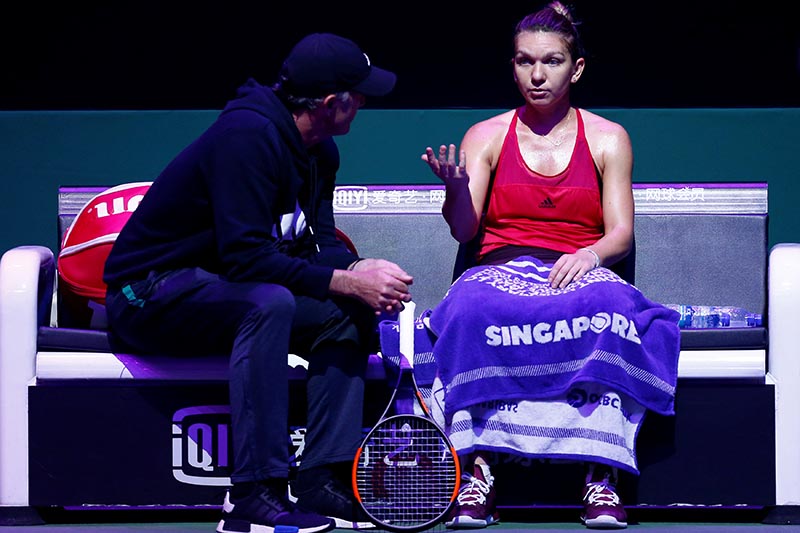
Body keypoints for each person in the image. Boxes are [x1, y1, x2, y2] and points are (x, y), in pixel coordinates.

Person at [103, 33, 413, 533]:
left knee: (347, 313)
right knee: (268, 303)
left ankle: (320, 478)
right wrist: (343, 280)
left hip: (222, 290)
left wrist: (357, 273)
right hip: (147, 294)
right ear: (333, 102)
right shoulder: (246, 137)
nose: (364, 105)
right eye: (359, 96)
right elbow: (247, 259)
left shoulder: (319, 152)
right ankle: (253, 492)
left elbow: (319, 241)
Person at [421, 2, 680, 530]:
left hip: (579, 268)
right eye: (524, 61)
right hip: (501, 269)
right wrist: (453, 191)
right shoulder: (486, 135)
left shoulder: (609, 137)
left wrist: (588, 255)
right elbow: (465, 231)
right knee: (470, 305)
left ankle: (600, 477)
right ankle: (479, 470)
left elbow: (621, 233)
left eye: (552, 61)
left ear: (576, 68)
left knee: (610, 307)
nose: (536, 75)